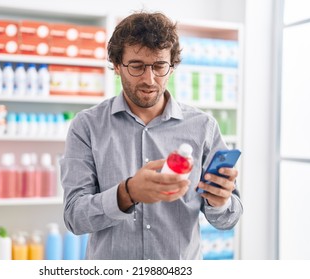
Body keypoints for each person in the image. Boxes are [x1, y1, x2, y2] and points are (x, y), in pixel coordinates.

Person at [60, 11, 243, 260]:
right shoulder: (87, 126)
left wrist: (219, 201)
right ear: (117, 66)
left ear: (172, 66)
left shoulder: (204, 127)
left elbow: (228, 219)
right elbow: (74, 217)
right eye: (136, 66)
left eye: (159, 66)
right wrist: (128, 193)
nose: (149, 79)